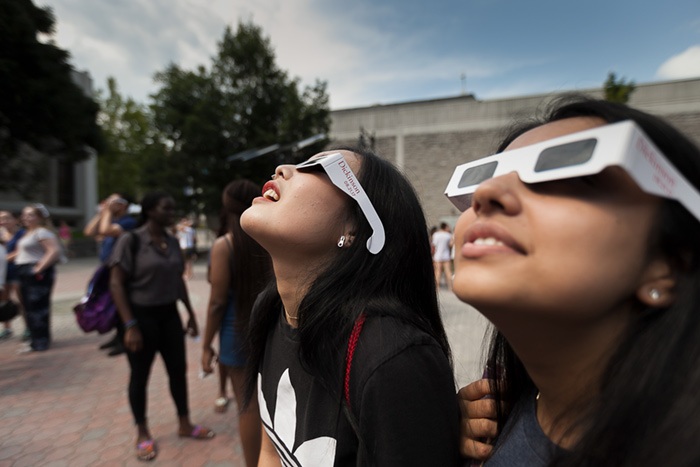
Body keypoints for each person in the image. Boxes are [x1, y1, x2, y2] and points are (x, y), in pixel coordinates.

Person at [448, 97, 700, 466]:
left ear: (670, 263)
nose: (484, 194)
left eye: (564, 174)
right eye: (482, 180)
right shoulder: (495, 419)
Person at [241, 148, 461, 466]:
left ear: (354, 228)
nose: (282, 168)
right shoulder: (269, 310)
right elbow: (270, 449)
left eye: (319, 166)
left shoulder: (392, 360)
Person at [109, 191, 214, 462]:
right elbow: (116, 283)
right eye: (167, 208)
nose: (172, 213)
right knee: (140, 375)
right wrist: (129, 324)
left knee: (177, 371)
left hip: (169, 316)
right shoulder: (130, 240)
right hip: (139, 318)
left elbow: (178, 280)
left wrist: (189, 313)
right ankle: (142, 431)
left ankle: (184, 423)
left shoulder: (172, 241)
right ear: (150, 210)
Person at [201, 179, 272, 467]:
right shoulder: (268, 238)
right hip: (268, 328)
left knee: (247, 406)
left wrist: (205, 345)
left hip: (236, 334)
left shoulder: (224, 245)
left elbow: (217, 302)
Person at [84, 193, 137, 356]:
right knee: (110, 303)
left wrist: (106, 212)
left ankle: (124, 338)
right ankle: (117, 336)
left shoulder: (128, 222)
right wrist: (102, 213)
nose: (109, 205)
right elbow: (89, 231)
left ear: (124, 205)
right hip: (107, 268)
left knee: (120, 303)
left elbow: (105, 230)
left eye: (114, 202)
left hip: (120, 269)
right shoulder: (112, 219)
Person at [13, 204, 62, 353]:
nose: (26, 218)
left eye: (30, 215)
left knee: (37, 308)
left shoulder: (42, 232)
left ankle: (40, 342)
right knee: (29, 307)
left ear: (39, 217)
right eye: (24, 214)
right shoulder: (28, 233)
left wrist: (38, 269)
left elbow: (54, 251)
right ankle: (35, 340)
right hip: (23, 271)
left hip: (35, 272)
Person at [0, 211, 26, 340]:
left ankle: (27, 328)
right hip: (3, 273)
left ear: (15, 219)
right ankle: (7, 328)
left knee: (22, 301)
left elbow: (20, 251)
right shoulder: (1, 234)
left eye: (7, 218)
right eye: (1, 219)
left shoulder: (22, 233)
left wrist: (4, 258)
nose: (4, 221)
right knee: (4, 301)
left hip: (17, 272)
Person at [432, 222, 454, 292]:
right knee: (448, 272)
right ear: (445, 227)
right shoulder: (448, 235)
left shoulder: (436, 235)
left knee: (437, 272)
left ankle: (437, 287)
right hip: (446, 256)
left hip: (437, 256)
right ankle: (450, 287)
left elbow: (434, 245)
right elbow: (451, 245)